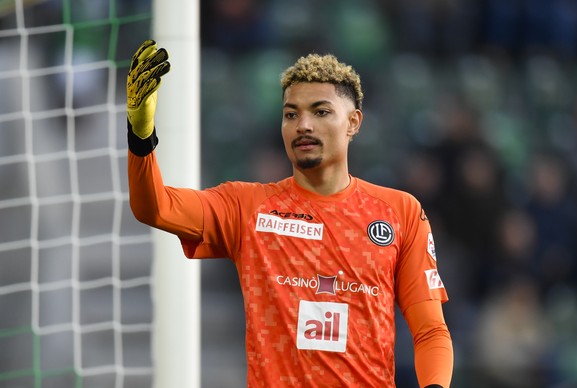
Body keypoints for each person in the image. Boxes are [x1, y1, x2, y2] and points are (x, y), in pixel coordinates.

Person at [126, 40, 454, 388]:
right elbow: (155, 207)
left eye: (321, 111)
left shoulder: (399, 212)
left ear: (354, 122)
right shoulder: (246, 206)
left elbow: (431, 330)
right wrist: (140, 136)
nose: (303, 125)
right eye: (291, 114)